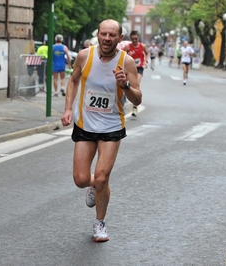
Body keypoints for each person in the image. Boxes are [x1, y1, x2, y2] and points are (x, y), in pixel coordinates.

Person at [61, 19, 142, 242]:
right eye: (103, 34)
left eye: (112, 35)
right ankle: (95, 185)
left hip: (112, 126)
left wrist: (125, 85)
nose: (107, 38)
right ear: (98, 34)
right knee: (80, 179)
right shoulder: (84, 56)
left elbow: (137, 98)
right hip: (85, 124)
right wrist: (68, 109)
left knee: (103, 178)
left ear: (120, 38)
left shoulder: (127, 62)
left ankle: (100, 223)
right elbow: (73, 81)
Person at [124, 30, 148, 117]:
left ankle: (134, 107)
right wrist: (128, 54)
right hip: (129, 69)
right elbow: (122, 56)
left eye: (136, 39)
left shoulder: (143, 46)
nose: (134, 40)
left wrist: (146, 61)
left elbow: (147, 53)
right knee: (126, 85)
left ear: (138, 38)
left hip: (139, 68)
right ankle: (124, 100)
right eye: (133, 39)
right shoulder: (127, 47)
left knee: (136, 85)